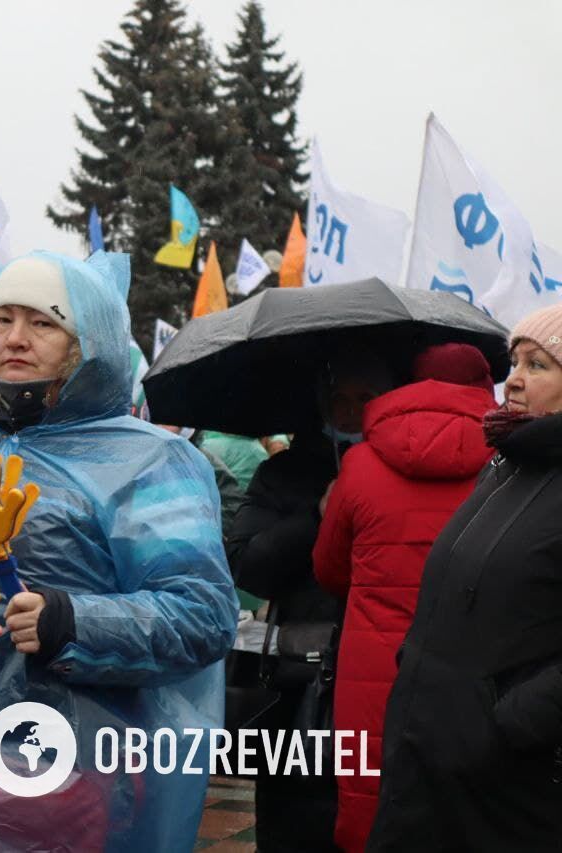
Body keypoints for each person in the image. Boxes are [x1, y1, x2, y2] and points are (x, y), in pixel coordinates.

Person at [0, 251, 237, 851]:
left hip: (59, 779)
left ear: (86, 342)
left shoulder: (149, 462)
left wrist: (71, 620)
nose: (15, 338)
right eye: (1, 319)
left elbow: (201, 614)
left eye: (43, 322)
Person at [370, 305, 562, 851]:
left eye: (539, 365)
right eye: (514, 362)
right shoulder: (504, 463)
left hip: (505, 782)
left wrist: (511, 723)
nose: (515, 380)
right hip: (425, 753)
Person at [312, 343, 495, 853]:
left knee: (371, 801)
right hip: (475, 669)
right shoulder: (510, 465)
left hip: (372, 671)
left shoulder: (362, 462)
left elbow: (329, 572)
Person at [226, 352, 394, 852]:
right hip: (298, 685)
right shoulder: (285, 473)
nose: (348, 412)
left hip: (386, 678)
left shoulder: (406, 469)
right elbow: (249, 565)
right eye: (337, 399)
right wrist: (319, 516)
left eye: (364, 398)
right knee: (294, 826)